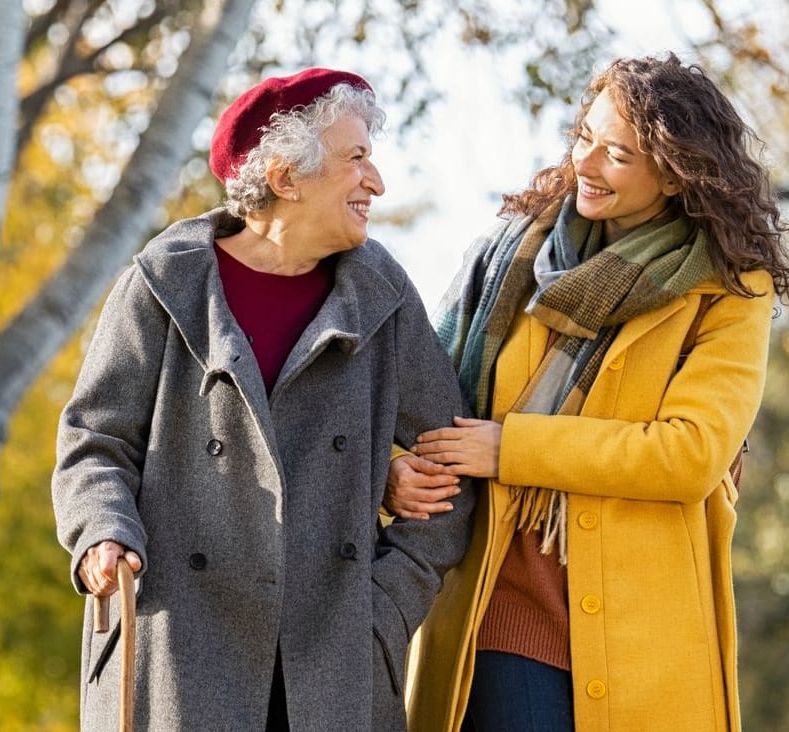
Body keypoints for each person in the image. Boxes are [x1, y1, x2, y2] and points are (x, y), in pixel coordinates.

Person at [386, 53, 789, 731]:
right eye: (585, 138)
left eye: (617, 154)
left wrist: (512, 448)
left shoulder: (727, 291)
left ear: (674, 173)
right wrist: (392, 473)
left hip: (648, 633)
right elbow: (414, 397)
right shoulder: (511, 258)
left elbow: (689, 454)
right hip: (499, 604)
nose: (586, 163)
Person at [52, 68, 475, 732]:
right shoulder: (163, 286)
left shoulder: (384, 296)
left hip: (335, 668)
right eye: (356, 159)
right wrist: (102, 531)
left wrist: (383, 610)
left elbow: (452, 467)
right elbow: (94, 443)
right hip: (179, 652)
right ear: (284, 178)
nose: (377, 182)